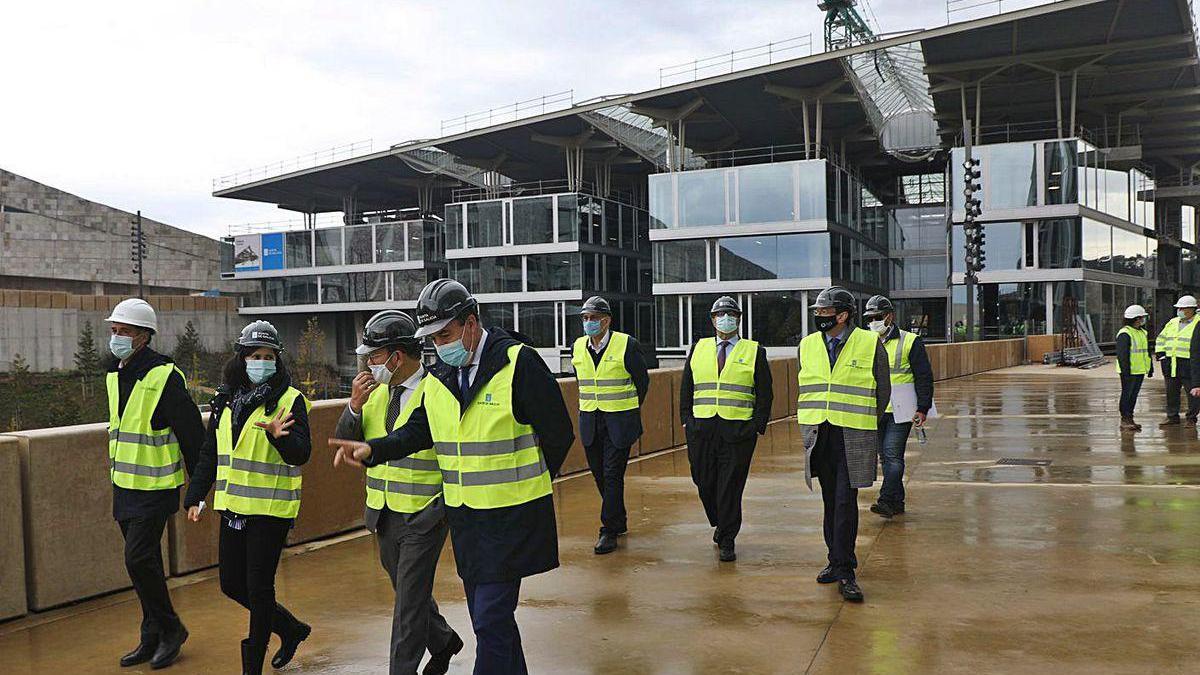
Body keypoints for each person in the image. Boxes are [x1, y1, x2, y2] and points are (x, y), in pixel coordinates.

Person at [330, 279, 574, 675]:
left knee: (489, 619)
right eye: (432, 338)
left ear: (471, 323)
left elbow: (559, 434)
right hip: (467, 520)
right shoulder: (443, 375)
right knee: (493, 622)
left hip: (510, 518)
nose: (440, 344)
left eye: (446, 334)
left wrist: (526, 487)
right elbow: (418, 430)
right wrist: (375, 450)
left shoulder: (518, 363)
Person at [332, 310, 463, 675]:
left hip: (425, 513)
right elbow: (348, 439)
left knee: (407, 604)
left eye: (373, 356)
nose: (368, 364)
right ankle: (444, 640)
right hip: (383, 512)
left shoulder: (435, 391)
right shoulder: (373, 393)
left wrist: (442, 506)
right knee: (409, 593)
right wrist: (354, 405)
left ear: (396, 357)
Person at [183, 321, 312, 675]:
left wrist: (278, 437)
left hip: (271, 509)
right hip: (234, 508)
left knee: (259, 588)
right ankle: (290, 628)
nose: (261, 362)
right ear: (241, 359)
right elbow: (210, 452)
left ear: (277, 362)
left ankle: (251, 665)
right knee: (232, 585)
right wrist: (195, 495)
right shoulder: (225, 400)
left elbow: (301, 453)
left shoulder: (289, 400)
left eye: (268, 357)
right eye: (255, 355)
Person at [105, 298, 204, 670]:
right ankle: (151, 636)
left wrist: (197, 492)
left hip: (157, 487)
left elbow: (193, 435)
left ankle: (172, 628)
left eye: (124, 332)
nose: (116, 337)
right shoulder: (115, 374)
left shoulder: (165, 376)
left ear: (144, 337)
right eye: (114, 331)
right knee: (142, 566)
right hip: (124, 486)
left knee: (137, 559)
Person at [797, 287, 890, 603]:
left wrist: (865, 421)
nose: (819, 316)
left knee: (845, 503)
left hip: (852, 435)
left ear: (843, 314)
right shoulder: (807, 345)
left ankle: (846, 570)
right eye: (818, 311)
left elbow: (883, 391)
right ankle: (834, 560)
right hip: (820, 434)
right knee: (829, 501)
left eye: (824, 311)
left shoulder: (868, 342)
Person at [679, 296, 773, 563]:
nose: (725, 318)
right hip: (702, 428)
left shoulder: (754, 350)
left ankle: (728, 537)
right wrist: (687, 419)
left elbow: (765, 392)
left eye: (731, 314)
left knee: (730, 485)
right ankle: (720, 522)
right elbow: (687, 386)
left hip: (738, 430)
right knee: (704, 481)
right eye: (720, 314)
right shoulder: (698, 348)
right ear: (712, 320)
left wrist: (757, 425)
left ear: (739, 319)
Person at [571, 295, 650, 555]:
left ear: (607, 320)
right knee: (600, 475)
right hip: (590, 421)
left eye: (593, 318)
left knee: (612, 474)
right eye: (585, 318)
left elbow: (642, 382)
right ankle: (618, 518)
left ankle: (609, 530)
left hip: (619, 421)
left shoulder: (627, 345)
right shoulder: (578, 347)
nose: (589, 322)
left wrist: (628, 411)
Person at [862, 295, 933, 518]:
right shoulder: (866, 342)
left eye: (877, 317)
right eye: (870, 318)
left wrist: (923, 408)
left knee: (893, 456)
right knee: (885, 458)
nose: (873, 321)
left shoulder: (910, 341)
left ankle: (885, 501)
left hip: (900, 410)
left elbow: (924, 377)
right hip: (876, 409)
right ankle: (897, 501)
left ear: (889, 316)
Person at [1154, 295, 1199, 427]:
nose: (1180, 310)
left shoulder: (1198, 323)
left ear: (1191, 309)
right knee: (1171, 392)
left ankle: (1191, 418)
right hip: (1171, 363)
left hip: (1190, 364)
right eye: (1179, 308)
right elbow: (1161, 338)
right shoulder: (1173, 322)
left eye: (1182, 308)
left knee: (1193, 393)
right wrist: (1161, 355)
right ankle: (1172, 416)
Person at [1116, 304, 1154, 432]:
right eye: (1142, 317)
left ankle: (1130, 418)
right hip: (1129, 371)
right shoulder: (1125, 333)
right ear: (1136, 318)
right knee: (1127, 395)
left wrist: (1150, 368)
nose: (1143, 319)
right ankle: (1125, 419)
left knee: (1133, 395)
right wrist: (1126, 371)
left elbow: (1146, 352)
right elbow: (1123, 355)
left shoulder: (1142, 332)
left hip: (1139, 370)